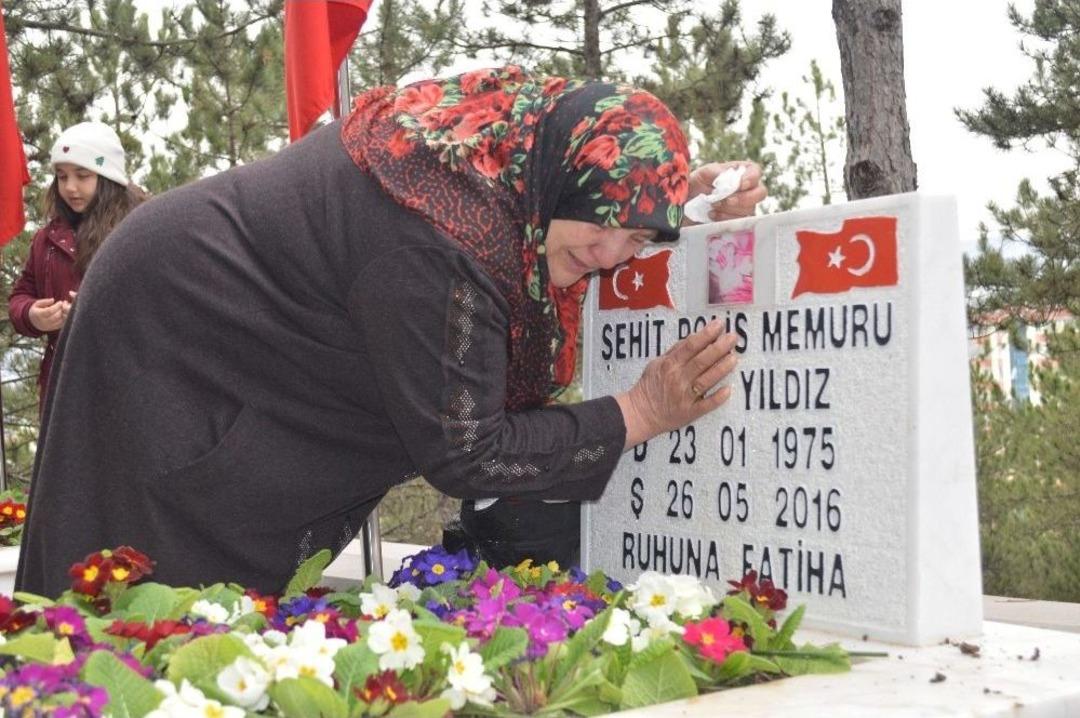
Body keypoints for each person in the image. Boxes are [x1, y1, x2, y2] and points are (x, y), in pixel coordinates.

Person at [16, 66, 765, 597]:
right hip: (184, 332)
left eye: (637, 237)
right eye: (603, 227)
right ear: (556, 180)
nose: (610, 256)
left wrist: (671, 206)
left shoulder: (520, 169)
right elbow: (470, 452)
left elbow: (593, 218)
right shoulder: (444, 240)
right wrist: (639, 413)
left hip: (216, 313)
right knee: (140, 591)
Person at [8, 122, 144, 414]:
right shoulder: (46, 240)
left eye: (83, 175)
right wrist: (32, 314)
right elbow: (20, 297)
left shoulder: (140, 229)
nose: (70, 187)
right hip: (63, 390)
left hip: (126, 384)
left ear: (107, 178)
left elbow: (158, 307)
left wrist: (94, 317)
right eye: (61, 176)